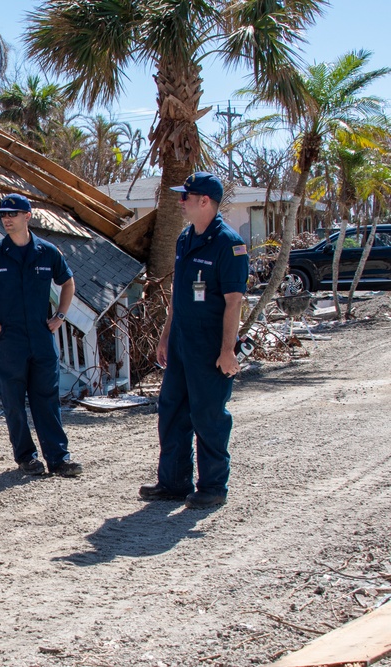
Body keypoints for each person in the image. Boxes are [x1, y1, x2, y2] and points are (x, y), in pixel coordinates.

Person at [139, 171, 250, 509]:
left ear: (205, 201)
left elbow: (234, 301)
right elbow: (179, 293)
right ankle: (173, 482)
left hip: (209, 346)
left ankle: (213, 487)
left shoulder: (229, 244)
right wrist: (166, 334)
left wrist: (227, 350)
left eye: (185, 197)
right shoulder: (185, 238)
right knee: (171, 411)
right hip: (182, 341)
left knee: (208, 415)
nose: (180, 201)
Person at [0, 194, 82, 478]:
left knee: (47, 399)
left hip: (41, 338)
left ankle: (59, 459)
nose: (6, 219)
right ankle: (26, 458)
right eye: (3, 215)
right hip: (9, 341)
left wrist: (60, 316)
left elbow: (68, 282)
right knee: (13, 402)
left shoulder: (48, 252)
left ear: (27, 217)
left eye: (12, 214)